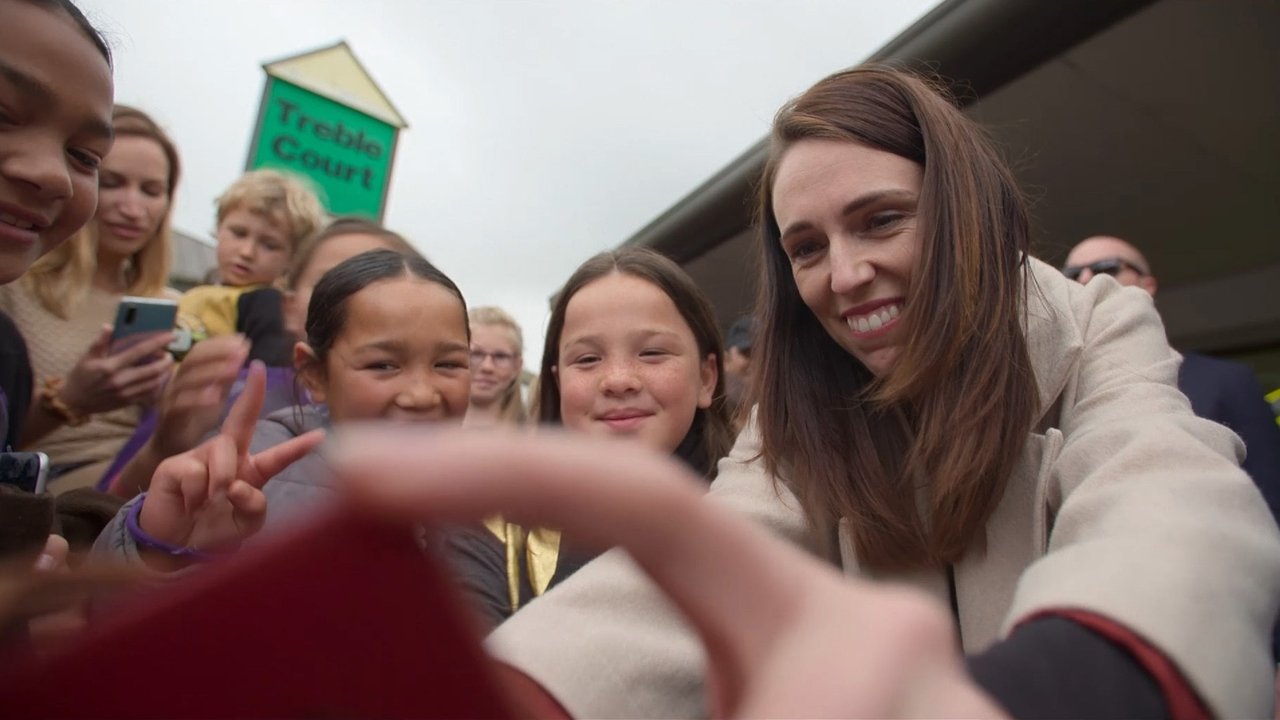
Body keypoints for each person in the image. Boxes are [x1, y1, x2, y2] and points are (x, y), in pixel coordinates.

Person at [336, 66, 1278, 718]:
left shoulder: (1096, 326)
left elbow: (1168, 495)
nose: (848, 272)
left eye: (883, 220)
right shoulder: (795, 411)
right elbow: (685, 578)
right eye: (808, 248)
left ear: (966, 207)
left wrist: (1065, 688)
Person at [94, 249, 472, 570]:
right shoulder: (246, 477)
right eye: (383, 365)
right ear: (314, 374)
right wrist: (163, 546)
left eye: (449, 364)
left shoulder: (486, 493)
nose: (423, 395)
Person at [445, 248, 734, 628]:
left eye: (651, 353)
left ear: (707, 377)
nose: (618, 380)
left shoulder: (770, 512)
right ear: (557, 381)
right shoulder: (489, 529)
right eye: (586, 359)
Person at [101, 217, 424, 498]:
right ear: (289, 308)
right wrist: (167, 444)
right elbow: (102, 517)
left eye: (383, 286)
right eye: (334, 282)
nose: (359, 300)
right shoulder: (224, 393)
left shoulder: (424, 411)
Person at [0, 104, 180, 492]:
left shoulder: (171, 306)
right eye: (112, 182)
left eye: (151, 191)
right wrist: (69, 400)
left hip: (143, 485)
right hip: (50, 493)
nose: (133, 209)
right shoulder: (12, 284)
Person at [1063, 235, 1280, 518]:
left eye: (1107, 267)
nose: (1086, 279)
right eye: (1071, 274)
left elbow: (1270, 498)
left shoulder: (1226, 379)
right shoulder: (1054, 391)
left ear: (1147, 285)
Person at [175, 169, 325, 366]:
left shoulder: (266, 304)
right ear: (219, 227)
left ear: (293, 258)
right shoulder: (199, 292)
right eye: (239, 233)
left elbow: (264, 370)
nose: (247, 252)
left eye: (270, 245)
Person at [464, 306, 527, 427]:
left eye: (500, 356)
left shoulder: (536, 435)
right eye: (476, 354)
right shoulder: (426, 430)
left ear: (517, 366)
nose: (487, 367)